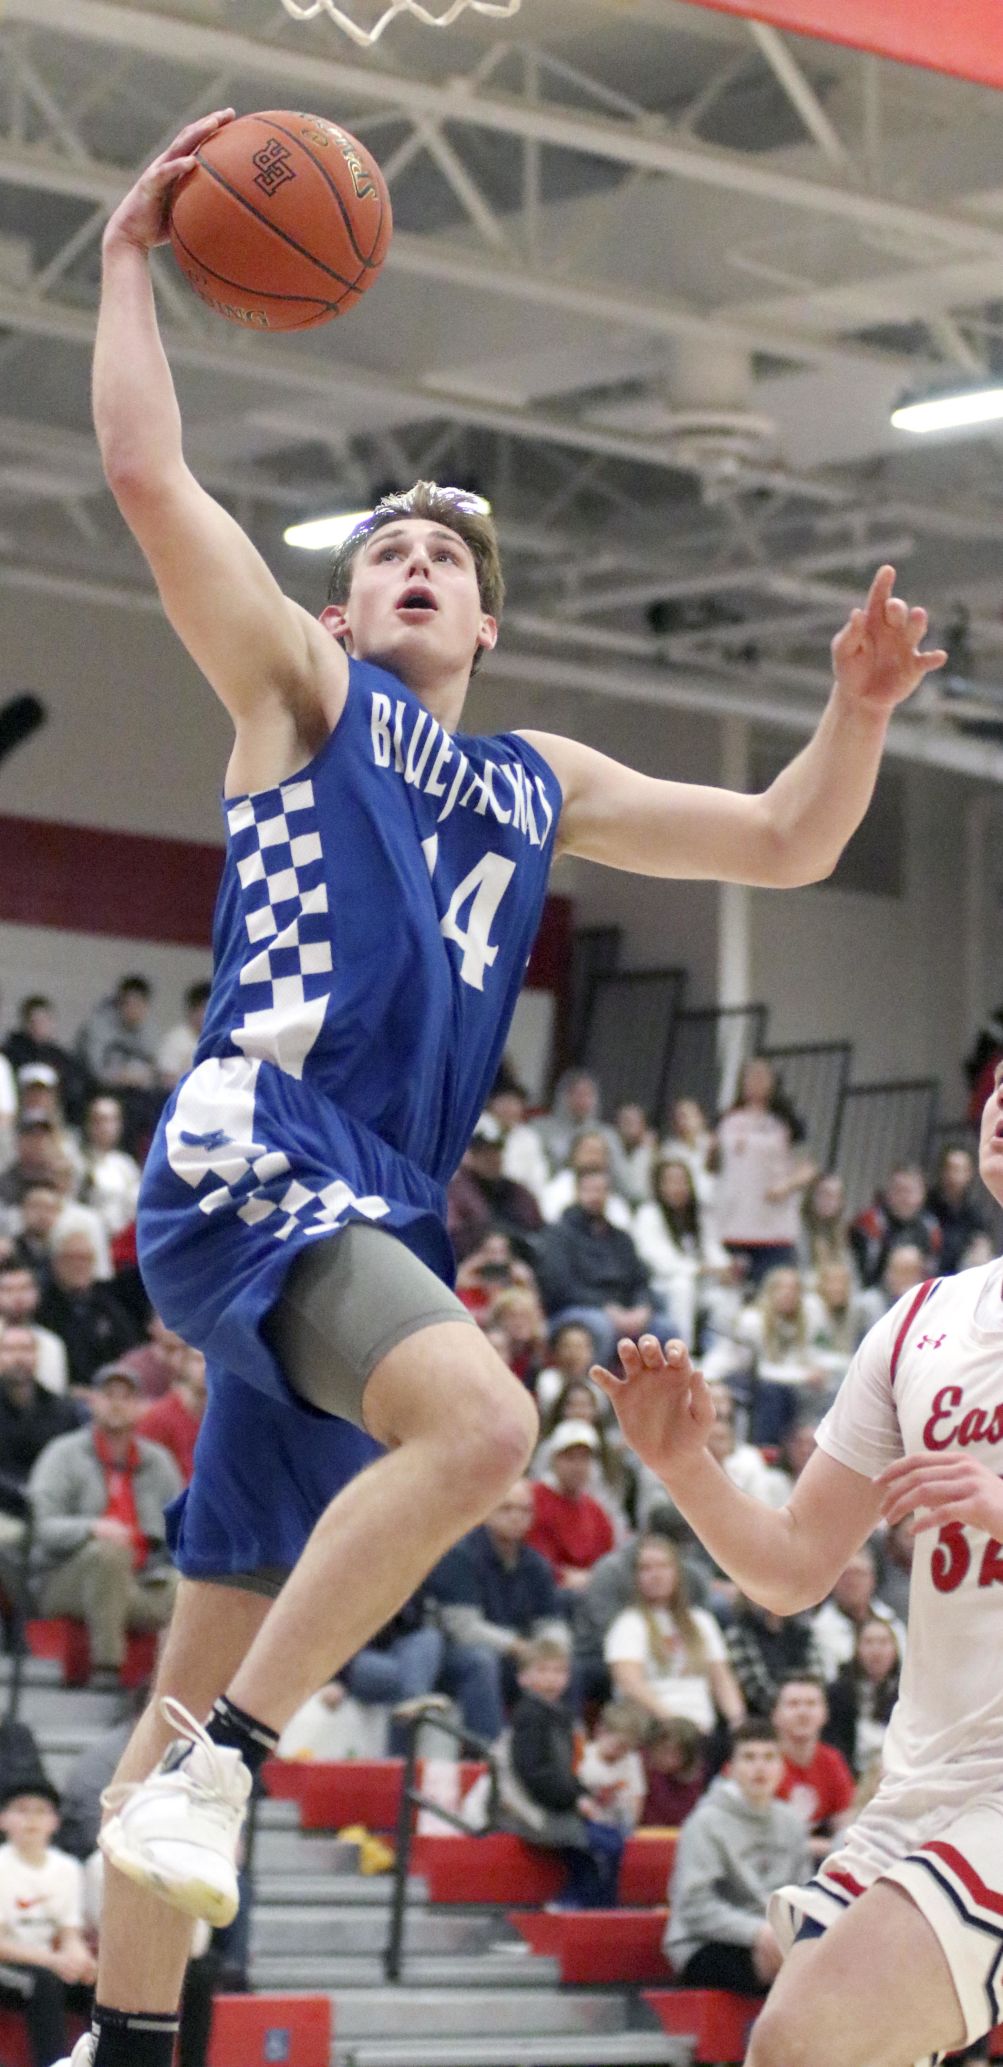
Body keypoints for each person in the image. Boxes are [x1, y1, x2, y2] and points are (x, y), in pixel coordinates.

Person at [77, 102, 945, 2067]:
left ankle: (115, 2031)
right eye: (375, 549)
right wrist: (132, 257)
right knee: (479, 1425)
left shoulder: (536, 781)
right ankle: (223, 1779)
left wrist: (856, 708)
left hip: (365, 1208)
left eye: (434, 560)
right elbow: (143, 470)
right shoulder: (304, 697)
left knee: (196, 1660)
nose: (399, 569)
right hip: (257, 1149)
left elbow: (790, 844)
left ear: (486, 620)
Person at [590, 1042, 1003, 2067]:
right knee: (793, 2039)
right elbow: (791, 1570)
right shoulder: (919, 1325)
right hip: (928, 1771)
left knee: (810, 2039)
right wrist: (686, 1467)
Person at [28, 1364, 181, 1687]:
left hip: (141, 1580)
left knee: (195, 1585)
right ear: (92, 1402)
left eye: (128, 1397)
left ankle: (182, 1683)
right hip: (66, 1577)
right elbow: (42, 1528)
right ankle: (107, 1669)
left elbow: (180, 1532)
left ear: (142, 1407)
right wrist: (92, 1528)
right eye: (109, 1395)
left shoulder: (158, 1462)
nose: (117, 1403)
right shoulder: (63, 1454)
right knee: (110, 1552)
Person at [665, 1719, 810, 1995]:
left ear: (782, 1768)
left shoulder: (791, 1823)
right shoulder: (705, 1822)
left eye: (769, 1758)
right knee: (791, 1966)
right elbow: (695, 1907)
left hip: (774, 1936)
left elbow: (803, 1896)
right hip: (703, 1943)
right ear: (730, 1770)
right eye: (749, 1758)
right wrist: (758, 1932)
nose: (760, 1767)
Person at [495, 1634, 625, 1909]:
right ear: (523, 1678)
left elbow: (565, 1771)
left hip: (556, 1803)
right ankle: (582, 1905)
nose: (551, 1679)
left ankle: (592, 1907)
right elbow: (535, 1774)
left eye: (559, 1671)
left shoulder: (559, 1715)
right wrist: (575, 1800)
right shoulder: (530, 1715)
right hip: (533, 1810)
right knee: (608, 1845)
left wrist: (582, 1794)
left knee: (612, 1837)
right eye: (542, 1671)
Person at [427, 1481, 560, 1743]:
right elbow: (464, 1630)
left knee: (565, 1665)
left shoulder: (536, 1563)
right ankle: (488, 1755)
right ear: (486, 1510)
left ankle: (561, 1750)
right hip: (454, 1656)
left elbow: (551, 1621)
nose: (516, 1517)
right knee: (482, 1662)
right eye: (507, 1508)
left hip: (518, 1655)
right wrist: (520, 1647)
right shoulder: (460, 1555)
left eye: (524, 1511)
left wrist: (552, 1650)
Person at [603, 1532, 743, 1740]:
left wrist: (738, 1721)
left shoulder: (701, 1621)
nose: (656, 1575)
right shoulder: (629, 1624)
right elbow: (629, 1683)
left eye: (663, 1566)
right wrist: (673, 1721)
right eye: (646, 1568)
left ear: (677, 1572)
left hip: (703, 1729)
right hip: (654, 1729)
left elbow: (721, 1678)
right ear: (636, 1577)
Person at [0, 1779, 96, 2067]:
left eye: (41, 1811)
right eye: (22, 1810)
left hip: (46, 1963)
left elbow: (70, 1933)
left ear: (54, 1822)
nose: (32, 1819)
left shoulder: (67, 1868)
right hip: (11, 1967)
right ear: (3, 1819)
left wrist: (80, 1959)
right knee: (45, 1983)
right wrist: (53, 1960)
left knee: (100, 1983)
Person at [712, 1059, 817, 1287]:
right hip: (733, 1220)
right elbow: (713, 1164)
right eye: (751, 1076)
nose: (756, 1083)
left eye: (762, 1077)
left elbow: (808, 1167)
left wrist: (787, 1185)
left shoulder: (787, 1123)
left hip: (773, 1224)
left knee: (772, 1287)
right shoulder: (726, 1120)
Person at [770, 1676, 856, 1861]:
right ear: (775, 1715)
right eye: (793, 1704)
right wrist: (829, 1847)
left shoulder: (832, 1760)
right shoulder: (759, 1760)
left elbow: (845, 1825)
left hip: (818, 1860)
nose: (803, 1712)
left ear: (825, 1713)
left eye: (811, 1704)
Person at [525, 1420, 616, 1593]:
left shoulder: (596, 1511)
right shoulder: (533, 1499)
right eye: (570, 1458)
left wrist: (592, 1578)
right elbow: (532, 1558)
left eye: (584, 1458)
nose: (577, 1467)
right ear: (554, 1460)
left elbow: (608, 1559)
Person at [823, 1616, 901, 1778]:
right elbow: (834, 1744)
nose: (876, 1650)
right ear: (857, 1649)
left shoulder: (907, 1693)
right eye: (869, 1642)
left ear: (895, 1649)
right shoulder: (838, 1693)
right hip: (851, 1774)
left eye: (883, 1642)